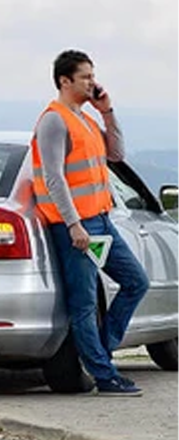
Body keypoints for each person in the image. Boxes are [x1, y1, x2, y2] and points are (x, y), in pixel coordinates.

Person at [30, 49, 149, 396]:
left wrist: (107, 111)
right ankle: (104, 375)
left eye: (93, 76)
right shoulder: (53, 120)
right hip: (76, 227)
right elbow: (54, 178)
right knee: (82, 303)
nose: (92, 82)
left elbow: (116, 155)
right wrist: (72, 224)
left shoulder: (85, 117)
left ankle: (100, 352)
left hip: (101, 219)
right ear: (65, 81)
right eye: (85, 77)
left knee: (135, 283)